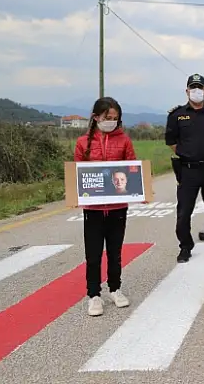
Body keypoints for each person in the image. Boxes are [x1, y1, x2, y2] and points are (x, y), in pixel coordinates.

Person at [74, 97, 135, 316]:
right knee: (93, 254)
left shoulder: (125, 141)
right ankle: (94, 294)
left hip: (118, 207)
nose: (111, 121)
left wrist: (140, 190)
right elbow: (77, 174)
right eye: (107, 118)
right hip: (93, 210)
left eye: (115, 118)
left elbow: (132, 170)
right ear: (96, 117)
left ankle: (115, 288)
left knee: (115, 252)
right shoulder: (83, 143)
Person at [165, 73, 204, 263]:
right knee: (184, 212)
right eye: (193, 88)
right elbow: (171, 141)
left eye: (199, 88)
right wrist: (187, 153)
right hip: (188, 169)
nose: (196, 91)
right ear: (187, 91)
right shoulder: (177, 115)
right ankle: (185, 246)